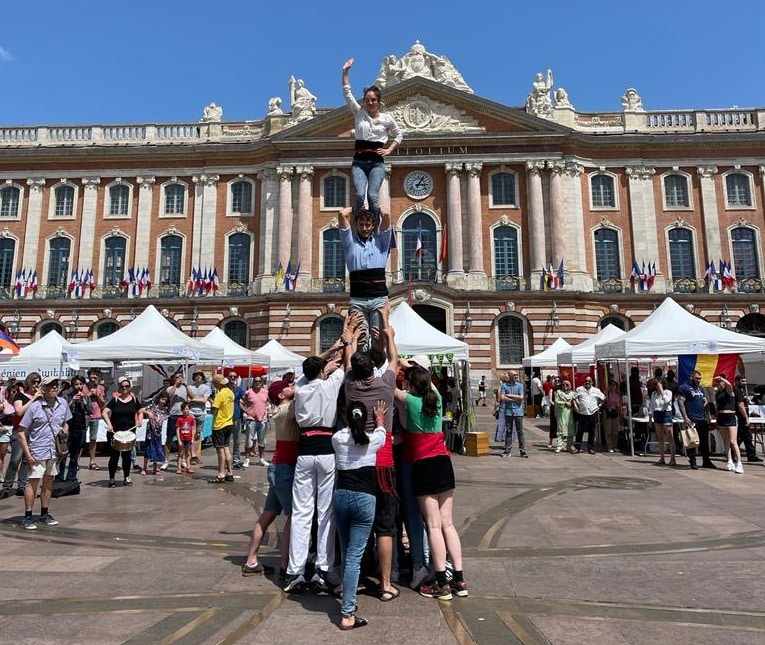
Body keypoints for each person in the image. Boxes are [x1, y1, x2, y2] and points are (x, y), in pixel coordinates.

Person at [283, 325, 352, 594]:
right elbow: (345, 367)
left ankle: (295, 570)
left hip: (305, 450)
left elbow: (312, 367)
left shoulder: (300, 386)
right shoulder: (331, 385)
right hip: (327, 450)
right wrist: (345, 345)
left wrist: (330, 350)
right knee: (326, 512)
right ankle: (324, 568)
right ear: (322, 371)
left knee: (302, 512)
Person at [396, 367, 468, 601]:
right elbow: (430, 384)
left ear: (412, 385)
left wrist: (398, 362)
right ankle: (459, 579)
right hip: (444, 464)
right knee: (448, 524)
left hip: (423, 466)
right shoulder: (435, 398)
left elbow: (388, 386)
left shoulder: (411, 401)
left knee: (433, 526)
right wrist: (411, 367)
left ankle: (440, 582)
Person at [344, 304, 399, 603]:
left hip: (355, 465)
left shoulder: (351, 388)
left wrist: (350, 336)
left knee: (356, 525)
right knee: (385, 528)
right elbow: (394, 360)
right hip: (384, 465)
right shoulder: (386, 386)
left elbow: (346, 364)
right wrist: (387, 327)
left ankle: (355, 575)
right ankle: (386, 583)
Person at [332, 400, 387, 630]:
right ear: (366, 419)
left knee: (347, 553)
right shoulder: (374, 439)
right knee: (355, 556)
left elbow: (351, 436)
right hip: (365, 499)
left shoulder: (336, 439)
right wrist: (380, 419)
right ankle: (347, 613)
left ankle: (347, 596)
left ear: (345, 417)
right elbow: (382, 432)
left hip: (341, 496)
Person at [242, 380, 299, 579]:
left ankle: (251, 560)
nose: (291, 385)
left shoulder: (282, 409)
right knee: (293, 517)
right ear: (281, 395)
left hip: (276, 467)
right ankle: (285, 565)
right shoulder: (288, 409)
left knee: (267, 515)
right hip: (285, 469)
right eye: (287, 386)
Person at [342, 58, 402, 220]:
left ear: (378, 101)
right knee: (360, 196)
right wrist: (345, 72)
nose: (370, 102)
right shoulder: (359, 114)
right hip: (359, 163)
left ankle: (373, 228)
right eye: (367, 100)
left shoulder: (387, 119)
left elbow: (399, 134)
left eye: (373, 100)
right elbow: (347, 93)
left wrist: (389, 149)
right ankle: (358, 223)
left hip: (377, 163)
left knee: (373, 198)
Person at [17, 375, 72, 529]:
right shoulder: (35, 406)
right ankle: (28, 516)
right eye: (51, 385)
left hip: (54, 450)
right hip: (38, 450)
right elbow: (21, 432)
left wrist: (64, 434)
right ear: (44, 389)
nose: (54, 387)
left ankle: (44, 513)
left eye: (56, 385)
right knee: (33, 482)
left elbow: (65, 423)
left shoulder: (63, 403)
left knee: (49, 481)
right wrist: (28, 455)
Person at [337, 205, 394, 348]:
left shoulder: (381, 242)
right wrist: (357, 205)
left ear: (373, 226)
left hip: (379, 299)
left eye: (368, 225)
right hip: (357, 300)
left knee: (379, 339)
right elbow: (341, 214)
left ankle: (378, 369)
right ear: (355, 225)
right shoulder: (349, 242)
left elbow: (386, 215)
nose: (364, 228)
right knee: (360, 340)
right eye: (361, 224)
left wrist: (374, 206)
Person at [1, 372, 41, 500]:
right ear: (28, 382)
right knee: (15, 459)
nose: (36, 384)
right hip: (20, 430)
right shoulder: (20, 395)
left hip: (33, 431)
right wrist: (33, 399)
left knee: (26, 460)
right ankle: (6, 487)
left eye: (38, 382)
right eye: (33, 382)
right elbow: (19, 412)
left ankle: (22, 486)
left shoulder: (40, 397)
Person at [102, 376, 143, 488]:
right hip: (115, 433)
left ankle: (126, 477)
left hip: (129, 433)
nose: (125, 388)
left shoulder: (134, 400)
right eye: (122, 386)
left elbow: (140, 411)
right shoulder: (115, 400)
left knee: (127, 456)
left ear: (130, 388)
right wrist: (109, 424)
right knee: (114, 457)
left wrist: (140, 420)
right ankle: (111, 478)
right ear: (119, 388)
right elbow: (104, 412)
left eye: (127, 386)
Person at [677, 370, 713, 470]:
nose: (699, 380)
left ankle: (706, 461)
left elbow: (704, 401)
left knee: (704, 441)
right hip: (691, 418)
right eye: (697, 378)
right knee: (691, 441)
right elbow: (681, 402)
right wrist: (685, 417)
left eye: (700, 379)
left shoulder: (700, 389)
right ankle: (692, 461)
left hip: (702, 418)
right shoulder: (684, 388)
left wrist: (708, 413)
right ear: (691, 377)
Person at [62, 375, 92, 481]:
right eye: (76, 384)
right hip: (69, 427)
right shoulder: (66, 396)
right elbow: (62, 410)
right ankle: (60, 477)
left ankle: (71, 477)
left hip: (80, 427)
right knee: (63, 454)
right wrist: (72, 401)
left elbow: (90, 411)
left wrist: (84, 401)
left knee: (75, 455)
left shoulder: (86, 396)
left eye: (80, 384)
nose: (78, 386)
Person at [207, 374, 235, 484]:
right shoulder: (230, 392)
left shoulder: (220, 394)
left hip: (220, 424)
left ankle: (221, 473)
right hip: (229, 422)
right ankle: (230, 472)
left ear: (217, 383)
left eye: (214, 383)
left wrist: (211, 402)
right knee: (226, 447)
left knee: (220, 450)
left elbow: (214, 410)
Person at [715, 374, 743, 474]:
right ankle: (729, 461)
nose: (718, 383)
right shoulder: (718, 392)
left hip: (730, 417)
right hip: (721, 417)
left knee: (733, 441)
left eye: (720, 381)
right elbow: (717, 406)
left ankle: (739, 463)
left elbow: (729, 386)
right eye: (718, 382)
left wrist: (723, 379)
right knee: (726, 441)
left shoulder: (730, 390)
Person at [240, 375, 270, 468]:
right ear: (253, 382)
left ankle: (261, 459)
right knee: (249, 440)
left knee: (262, 441)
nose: (257, 383)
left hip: (263, 420)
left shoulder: (266, 392)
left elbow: (271, 401)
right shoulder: (248, 392)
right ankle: (247, 459)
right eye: (256, 381)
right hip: (251, 419)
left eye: (259, 381)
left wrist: (271, 410)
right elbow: (241, 402)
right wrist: (246, 411)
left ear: (261, 383)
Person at [649, 369, 676, 465]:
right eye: (655, 385)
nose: (656, 386)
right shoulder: (653, 394)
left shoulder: (668, 392)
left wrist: (661, 391)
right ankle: (662, 458)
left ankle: (672, 459)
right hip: (657, 414)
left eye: (658, 384)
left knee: (670, 437)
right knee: (660, 438)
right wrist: (650, 418)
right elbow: (652, 406)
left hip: (666, 414)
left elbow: (666, 401)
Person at [162, 372, 189, 470]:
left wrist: (186, 385)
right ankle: (166, 461)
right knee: (169, 438)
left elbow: (192, 395)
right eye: (177, 377)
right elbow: (169, 395)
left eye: (180, 377)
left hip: (183, 416)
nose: (179, 379)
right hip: (173, 415)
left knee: (183, 439)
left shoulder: (185, 388)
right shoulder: (170, 388)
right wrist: (175, 385)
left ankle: (183, 460)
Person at [573, 377, 605, 454]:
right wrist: (576, 407)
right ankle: (577, 447)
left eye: (589, 381)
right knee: (580, 431)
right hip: (582, 413)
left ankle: (591, 448)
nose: (587, 382)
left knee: (592, 431)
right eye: (586, 381)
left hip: (592, 413)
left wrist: (598, 406)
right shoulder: (579, 389)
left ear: (592, 382)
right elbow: (573, 398)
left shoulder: (596, 390)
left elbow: (603, 398)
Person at [141, 391, 170, 475]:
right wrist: (148, 413)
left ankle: (155, 467)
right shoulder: (153, 406)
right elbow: (142, 410)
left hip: (158, 432)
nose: (163, 401)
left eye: (165, 400)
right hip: (150, 431)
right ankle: (144, 467)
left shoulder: (166, 410)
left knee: (157, 449)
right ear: (159, 399)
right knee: (148, 449)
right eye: (162, 399)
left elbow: (166, 417)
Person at [500, 371, 527, 458]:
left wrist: (509, 395)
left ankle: (522, 450)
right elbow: (502, 398)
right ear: (510, 376)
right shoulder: (504, 386)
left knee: (520, 431)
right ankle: (507, 450)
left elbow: (521, 397)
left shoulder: (520, 385)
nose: (516, 376)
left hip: (518, 412)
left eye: (516, 375)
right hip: (508, 412)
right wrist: (515, 399)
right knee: (508, 431)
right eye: (514, 375)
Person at [734, 375, 761, 463]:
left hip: (743, 417)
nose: (745, 383)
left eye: (745, 381)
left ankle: (751, 455)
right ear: (737, 381)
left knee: (747, 437)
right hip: (740, 417)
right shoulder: (737, 391)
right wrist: (746, 418)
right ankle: (733, 454)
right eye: (743, 381)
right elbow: (740, 405)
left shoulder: (742, 391)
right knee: (739, 437)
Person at [186, 371, 210, 466]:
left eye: (200, 376)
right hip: (192, 412)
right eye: (196, 376)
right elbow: (187, 400)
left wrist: (193, 399)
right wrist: (197, 400)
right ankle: (192, 455)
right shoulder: (190, 387)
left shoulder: (206, 388)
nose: (198, 377)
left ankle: (195, 454)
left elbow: (204, 400)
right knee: (192, 433)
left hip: (202, 413)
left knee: (198, 434)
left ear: (202, 378)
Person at [84, 369, 105, 471]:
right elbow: (81, 402)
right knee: (81, 439)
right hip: (84, 417)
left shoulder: (100, 388)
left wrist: (97, 395)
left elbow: (103, 404)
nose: (94, 376)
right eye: (92, 374)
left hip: (96, 416)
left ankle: (92, 461)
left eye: (96, 375)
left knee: (93, 439)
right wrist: (88, 395)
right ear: (89, 376)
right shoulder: (83, 387)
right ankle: (76, 461)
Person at [554, 380, 576, 452]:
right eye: (563, 385)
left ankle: (569, 445)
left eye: (567, 385)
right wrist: (565, 403)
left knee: (570, 430)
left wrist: (572, 404)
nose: (565, 386)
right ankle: (559, 446)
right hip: (561, 414)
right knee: (560, 430)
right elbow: (556, 402)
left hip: (570, 414)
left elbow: (576, 403)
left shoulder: (573, 394)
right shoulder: (559, 393)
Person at [175, 402, 196, 474]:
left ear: (189, 409)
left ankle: (188, 467)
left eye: (187, 409)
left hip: (188, 439)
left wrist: (193, 438)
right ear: (181, 410)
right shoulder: (179, 419)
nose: (185, 411)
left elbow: (193, 429)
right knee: (180, 453)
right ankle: (179, 467)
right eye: (184, 409)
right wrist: (179, 440)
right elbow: (177, 429)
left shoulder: (191, 419)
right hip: (182, 439)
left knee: (188, 453)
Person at [603, 381, 622, 453]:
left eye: (614, 385)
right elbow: (604, 401)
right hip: (608, 412)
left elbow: (619, 405)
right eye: (612, 385)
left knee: (615, 431)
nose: (613, 387)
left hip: (615, 412)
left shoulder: (618, 394)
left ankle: (615, 446)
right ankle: (609, 446)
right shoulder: (607, 393)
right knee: (608, 430)